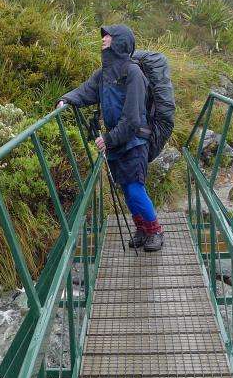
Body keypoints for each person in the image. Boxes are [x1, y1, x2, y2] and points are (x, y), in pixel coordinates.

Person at [56, 24, 164, 252]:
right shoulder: (104, 74)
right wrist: (66, 100)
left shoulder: (133, 73)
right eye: (104, 36)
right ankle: (142, 229)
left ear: (120, 41)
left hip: (134, 140)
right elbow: (86, 91)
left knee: (135, 187)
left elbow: (133, 118)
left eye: (108, 36)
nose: (103, 39)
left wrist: (109, 138)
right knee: (126, 188)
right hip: (117, 141)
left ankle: (155, 231)